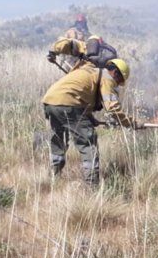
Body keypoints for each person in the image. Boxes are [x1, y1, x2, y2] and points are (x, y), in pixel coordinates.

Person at [41, 58, 138, 186]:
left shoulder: (90, 71)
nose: (117, 84)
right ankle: (92, 184)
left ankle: (53, 178)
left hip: (50, 102)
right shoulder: (107, 78)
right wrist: (130, 123)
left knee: (58, 139)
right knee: (88, 141)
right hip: (68, 104)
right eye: (119, 81)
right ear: (115, 72)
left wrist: (90, 118)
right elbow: (113, 108)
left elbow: (79, 93)